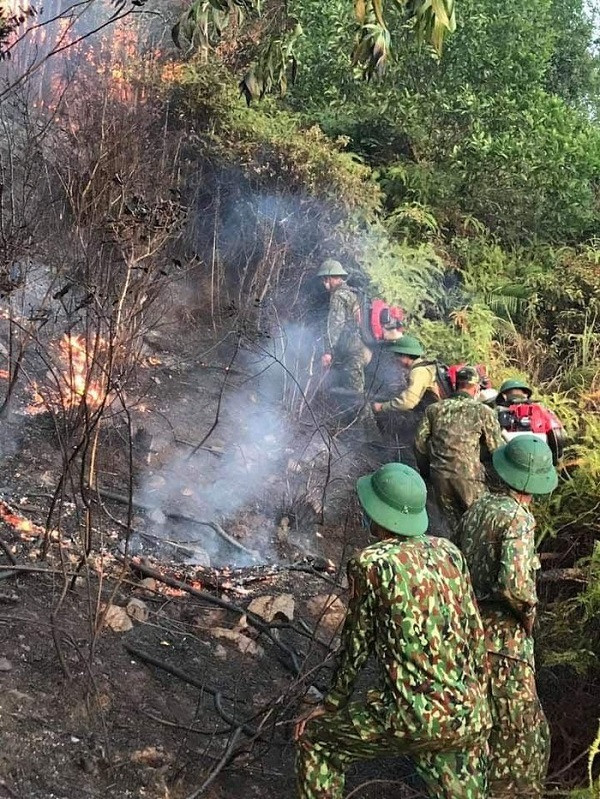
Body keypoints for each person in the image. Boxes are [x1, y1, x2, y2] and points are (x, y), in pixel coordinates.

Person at [295, 462, 492, 799]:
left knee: (317, 740)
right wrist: (477, 699)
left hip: (411, 717)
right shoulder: (449, 552)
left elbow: (356, 644)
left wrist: (331, 703)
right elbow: (475, 634)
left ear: (378, 512)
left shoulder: (371, 563)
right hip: (469, 713)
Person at [456, 435, 558, 799]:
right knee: (521, 739)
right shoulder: (519, 519)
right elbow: (514, 585)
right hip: (505, 645)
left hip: (469, 632)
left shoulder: (479, 508)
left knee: (482, 723)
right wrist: (529, 618)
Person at [414, 366, 503, 534]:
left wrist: (426, 471)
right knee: (476, 527)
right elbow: (496, 450)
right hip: (469, 479)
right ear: (476, 388)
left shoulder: (434, 409)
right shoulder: (483, 411)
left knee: (451, 528)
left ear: (457, 385)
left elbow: (419, 443)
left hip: (440, 477)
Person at [317, 259, 370, 395]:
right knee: (352, 394)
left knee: (355, 396)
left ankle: (366, 417)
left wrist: (328, 352)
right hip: (356, 349)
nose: (324, 283)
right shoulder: (350, 294)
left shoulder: (338, 296)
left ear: (329, 278)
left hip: (352, 352)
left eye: (325, 279)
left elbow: (336, 324)